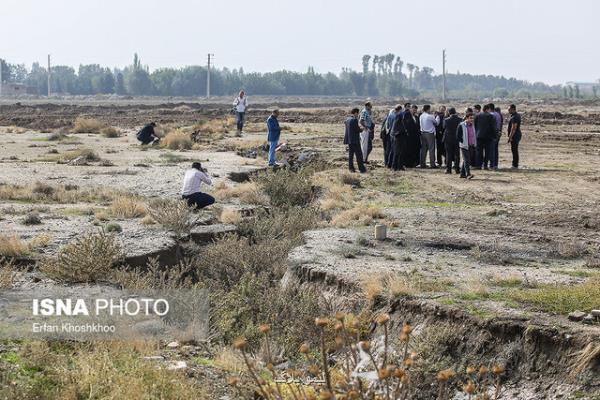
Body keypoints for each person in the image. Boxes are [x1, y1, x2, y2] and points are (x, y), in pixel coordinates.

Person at [344, 108, 367, 173]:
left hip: (350, 140)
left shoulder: (347, 119)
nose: (358, 115)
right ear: (356, 113)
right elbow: (357, 130)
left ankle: (351, 168)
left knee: (351, 155)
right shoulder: (354, 120)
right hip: (355, 140)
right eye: (358, 113)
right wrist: (361, 129)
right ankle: (362, 169)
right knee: (359, 155)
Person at [474, 104, 496, 169]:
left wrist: (476, 134)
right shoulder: (491, 116)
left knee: (479, 151)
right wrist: (494, 136)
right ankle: (485, 165)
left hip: (479, 136)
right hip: (488, 137)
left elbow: (475, 126)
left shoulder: (477, 115)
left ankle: (478, 165)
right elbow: (493, 127)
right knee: (487, 151)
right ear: (487, 109)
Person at [442, 107, 462, 174]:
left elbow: (444, 127)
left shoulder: (446, 120)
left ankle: (448, 169)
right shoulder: (460, 119)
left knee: (449, 154)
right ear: (455, 112)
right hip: (457, 138)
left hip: (448, 138)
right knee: (457, 154)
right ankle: (457, 169)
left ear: (449, 113)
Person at [457, 113, 476, 179]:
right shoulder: (461, 125)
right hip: (464, 146)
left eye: (473, 118)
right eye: (470, 118)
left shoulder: (473, 125)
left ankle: (462, 174)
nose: (472, 119)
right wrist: (462, 142)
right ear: (467, 118)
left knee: (467, 160)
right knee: (467, 160)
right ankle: (468, 174)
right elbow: (458, 135)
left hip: (471, 145)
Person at [391, 104, 407, 170]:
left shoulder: (397, 116)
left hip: (398, 136)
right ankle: (396, 166)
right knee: (398, 152)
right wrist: (403, 131)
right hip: (399, 137)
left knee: (398, 152)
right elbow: (397, 127)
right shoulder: (398, 116)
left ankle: (397, 166)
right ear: (400, 109)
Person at [507, 104, 522, 169]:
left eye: (509, 109)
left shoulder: (515, 117)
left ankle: (515, 165)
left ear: (513, 109)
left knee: (514, 150)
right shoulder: (515, 115)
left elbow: (514, 128)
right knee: (514, 150)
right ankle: (515, 164)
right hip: (516, 134)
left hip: (515, 135)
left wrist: (510, 137)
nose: (508, 110)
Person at [491, 106, 503, 170]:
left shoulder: (492, 115)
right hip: (498, 133)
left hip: (493, 134)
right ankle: (495, 164)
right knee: (495, 149)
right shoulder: (499, 115)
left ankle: (492, 164)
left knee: (492, 149)